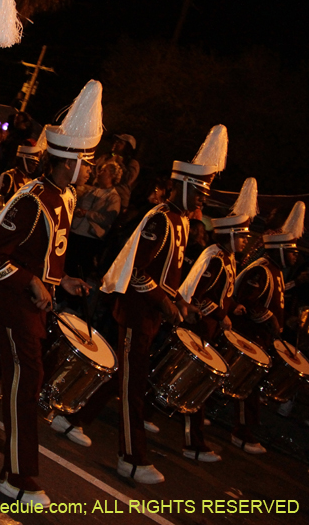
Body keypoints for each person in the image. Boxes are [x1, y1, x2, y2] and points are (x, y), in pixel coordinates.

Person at [0, 80, 101, 506]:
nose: (92, 170)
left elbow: (41, 258)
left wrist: (60, 281)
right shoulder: (35, 199)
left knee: (4, 371)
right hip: (14, 306)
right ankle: (18, 477)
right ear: (70, 162)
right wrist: (30, 281)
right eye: (89, 162)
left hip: (33, 308)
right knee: (28, 385)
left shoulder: (66, 196)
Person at [96, 124, 227, 483]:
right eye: (199, 190)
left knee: (125, 380)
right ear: (181, 186)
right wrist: (162, 300)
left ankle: (72, 416)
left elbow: (165, 275)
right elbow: (137, 271)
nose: (202, 198)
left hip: (151, 317)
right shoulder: (162, 219)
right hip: (137, 313)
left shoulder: (181, 223)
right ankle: (132, 457)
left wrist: (178, 303)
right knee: (131, 387)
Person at [177, 178, 258, 462]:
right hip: (200, 326)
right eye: (244, 236)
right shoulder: (213, 256)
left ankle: (156, 410)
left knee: (194, 382)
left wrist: (232, 307)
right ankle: (194, 444)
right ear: (230, 235)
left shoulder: (227, 259)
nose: (247, 241)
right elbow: (196, 295)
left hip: (211, 328)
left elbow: (220, 294)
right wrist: (221, 314)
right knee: (196, 382)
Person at [231, 201, 304, 454]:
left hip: (261, 337)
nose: (295, 256)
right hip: (250, 336)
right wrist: (269, 318)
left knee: (244, 384)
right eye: (292, 251)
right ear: (281, 249)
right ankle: (241, 432)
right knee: (245, 385)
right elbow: (247, 300)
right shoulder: (262, 268)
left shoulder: (276, 272)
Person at [65, 160, 123, 281]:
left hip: (90, 238)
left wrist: (87, 214)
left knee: (79, 270)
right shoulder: (91, 190)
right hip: (75, 231)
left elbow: (107, 219)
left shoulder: (113, 197)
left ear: (112, 176)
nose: (99, 173)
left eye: (104, 171)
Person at [0, 129, 45, 198]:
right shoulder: (10, 177)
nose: (34, 167)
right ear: (22, 160)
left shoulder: (30, 181)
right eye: (32, 163)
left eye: (36, 165)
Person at [95, 133, 139, 209]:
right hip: (100, 194)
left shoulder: (132, 163)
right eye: (116, 141)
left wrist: (120, 163)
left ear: (127, 148)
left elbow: (129, 179)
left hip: (119, 199)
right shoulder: (106, 157)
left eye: (120, 143)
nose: (116, 144)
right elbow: (95, 169)